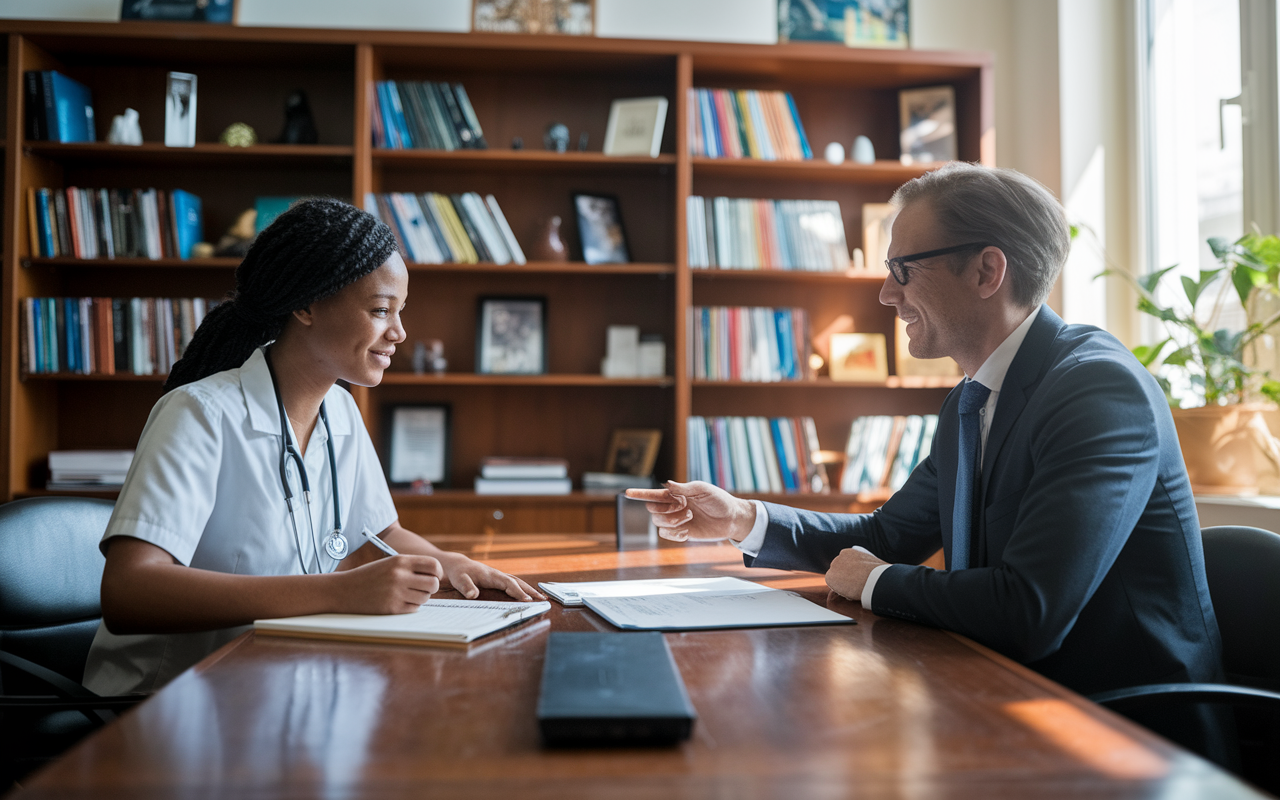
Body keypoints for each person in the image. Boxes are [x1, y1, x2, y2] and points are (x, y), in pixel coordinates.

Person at [629, 163, 1227, 755]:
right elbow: (886, 535)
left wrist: (878, 581)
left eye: (902, 270)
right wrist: (742, 518)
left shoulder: (1098, 391)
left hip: (1126, 737)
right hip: (1004, 700)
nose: (888, 293)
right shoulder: (970, 402)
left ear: (988, 270)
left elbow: (1030, 611)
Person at [85, 198, 544, 697]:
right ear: (305, 305)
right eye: (380, 310)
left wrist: (447, 563)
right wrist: (338, 592)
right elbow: (129, 592)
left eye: (400, 312)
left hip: (277, 684)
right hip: (168, 704)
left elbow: (380, 533)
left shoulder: (341, 411)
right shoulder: (200, 414)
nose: (399, 333)